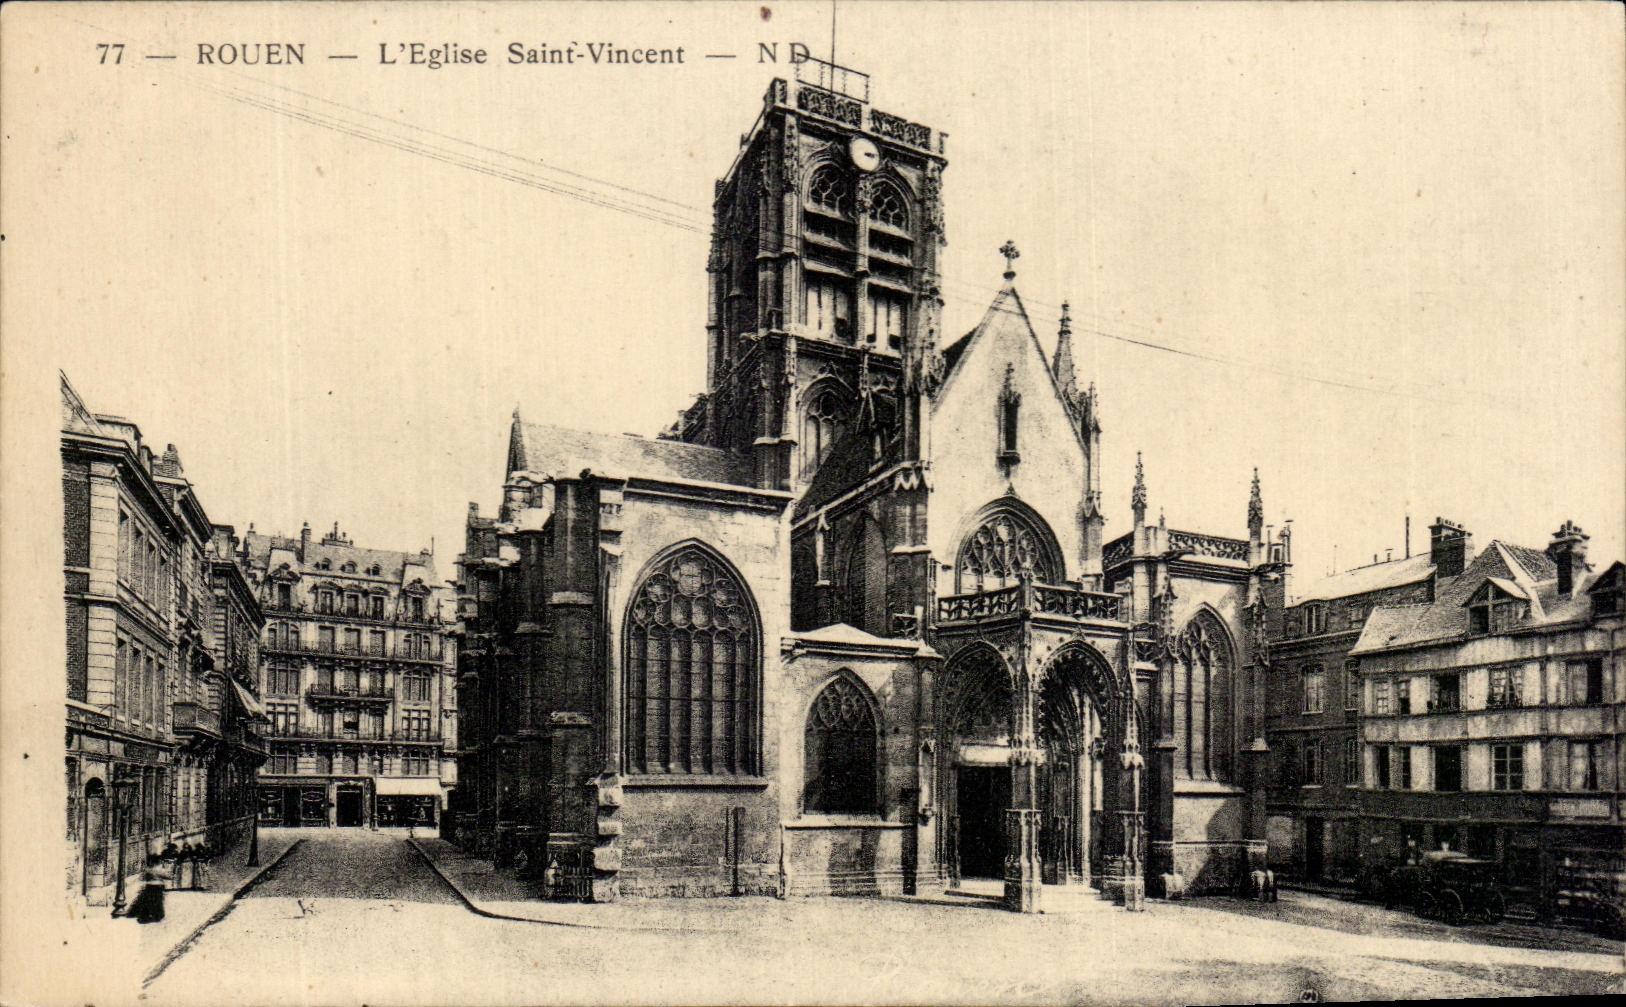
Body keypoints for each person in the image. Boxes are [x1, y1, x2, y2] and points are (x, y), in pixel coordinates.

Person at [128, 853, 172, 923]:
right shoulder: (160, 869)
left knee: (147, 901)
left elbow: (142, 878)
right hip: (158, 887)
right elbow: (168, 876)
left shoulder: (148, 869)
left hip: (149, 887)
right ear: (158, 862)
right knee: (157, 902)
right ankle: (157, 916)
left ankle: (144, 914)